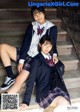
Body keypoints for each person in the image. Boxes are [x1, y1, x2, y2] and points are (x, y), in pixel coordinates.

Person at [0, 6, 58, 92]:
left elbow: (53, 44)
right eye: (35, 15)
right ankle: (10, 76)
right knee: (2, 47)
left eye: (40, 13)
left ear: (44, 13)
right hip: (27, 53)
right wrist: (21, 61)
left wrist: (54, 55)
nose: (38, 16)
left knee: (19, 80)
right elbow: (25, 43)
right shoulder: (32, 26)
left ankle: (7, 104)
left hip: (35, 59)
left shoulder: (52, 28)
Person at [19, 35, 71, 111]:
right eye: (45, 45)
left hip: (58, 88)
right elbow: (31, 80)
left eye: (50, 46)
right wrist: (26, 101)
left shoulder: (52, 57)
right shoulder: (36, 60)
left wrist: (58, 63)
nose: (47, 48)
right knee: (64, 104)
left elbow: (61, 72)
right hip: (45, 91)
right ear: (40, 45)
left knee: (66, 106)